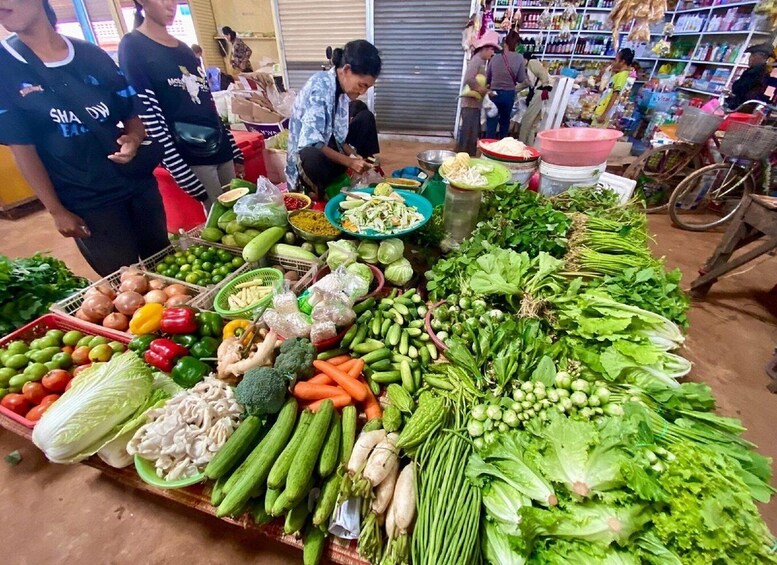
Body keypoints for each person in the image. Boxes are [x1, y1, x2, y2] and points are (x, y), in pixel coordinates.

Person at [0, 0, 169, 276]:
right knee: (124, 280)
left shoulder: (92, 55)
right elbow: (23, 150)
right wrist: (55, 210)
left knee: (163, 262)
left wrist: (134, 139)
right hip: (87, 200)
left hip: (136, 184)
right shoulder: (5, 67)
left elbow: (131, 113)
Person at [119, 1, 244, 209]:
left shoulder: (184, 50)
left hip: (220, 148)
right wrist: (180, 171)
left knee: (240, 214)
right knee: (220, 221)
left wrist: (233, 149)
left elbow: (207, 105)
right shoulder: (133, 46)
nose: (170, 5)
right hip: (191, 153)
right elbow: (149, 116)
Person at [285, 40, 381, 199]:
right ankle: (316, 190)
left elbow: (337, 136)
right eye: (361, 85)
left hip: (329, 146)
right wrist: (350, 162)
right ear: (347, 70)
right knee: (311, 156)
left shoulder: (342, 91)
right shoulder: (321, 86)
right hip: (306, 158)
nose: (363, 91)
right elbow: (312, 142)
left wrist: (354, 156)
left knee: (365, 117)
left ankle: (364, 166)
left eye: (367, 88)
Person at [458, 30, 500, 156]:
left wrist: (485, 88)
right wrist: (484, 90)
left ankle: (467, 158)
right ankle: (462, 160)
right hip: (470, 104)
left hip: (474, 104)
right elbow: (469, 79)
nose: (492, 53)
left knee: (472, 133)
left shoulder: (481, 62)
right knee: (468, 134)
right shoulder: (477, 60)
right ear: (485, 49)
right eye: (492, 50)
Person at [486, 30, 526, 139]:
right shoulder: (520, 58)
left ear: (505, 44)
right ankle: (502, 149)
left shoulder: (494, 58)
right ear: (517, 45)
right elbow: (521, 79)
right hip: (508, 94)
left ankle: (488, 147)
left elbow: (488, 77)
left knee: (491, 122)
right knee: (504, 122)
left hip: (494, 93)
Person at [593, 48, 634, 125]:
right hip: (601, 108)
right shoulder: (618, 74)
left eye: (615, 60)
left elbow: (615, 95)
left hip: (603, 112)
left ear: (622, 62)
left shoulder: (622, 76)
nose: (613, 62)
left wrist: (604, 114)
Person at [517, 53, 551, 145]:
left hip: (540, 94)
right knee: (532, 126)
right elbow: (525, 83)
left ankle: (521, 145)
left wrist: (545, 87)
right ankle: (529, 146)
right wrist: (512, 90)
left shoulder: (532, 62)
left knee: (526, 121)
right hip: (541, 95)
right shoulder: (528, 69)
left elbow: (543, 73)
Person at [726, 43, 772, 110]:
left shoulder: (755, 72)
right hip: (742, 105)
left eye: (753, 56)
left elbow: (740, 88)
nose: (750, 58)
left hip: (740, 107)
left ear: (763, 58)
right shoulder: (761, 71)